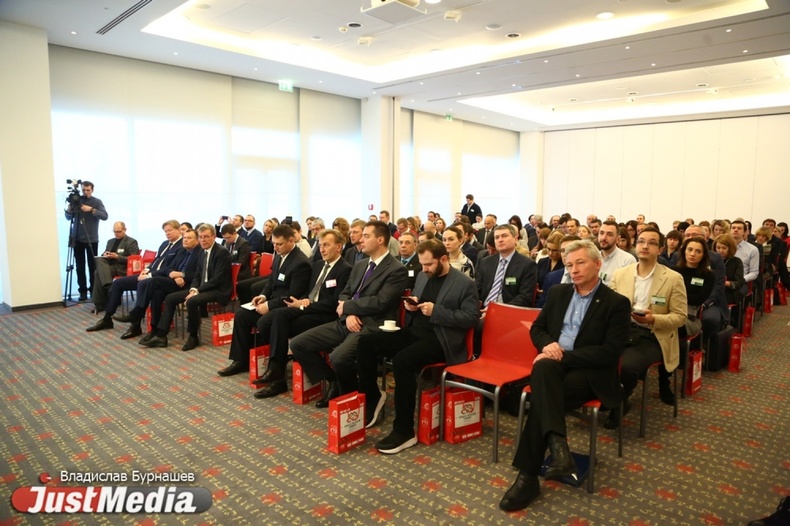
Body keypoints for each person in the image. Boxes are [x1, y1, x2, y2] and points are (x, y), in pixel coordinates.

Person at [499, 239, 630, 512]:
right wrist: (548, 345)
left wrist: (562, 355)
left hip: (590, 373)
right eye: (569, 265)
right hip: (555, 368)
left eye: (580, 263)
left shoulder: (615, 303)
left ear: (598, 264)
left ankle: (528, 477)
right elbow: (538, 329)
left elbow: (610, 352)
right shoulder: (558, 293)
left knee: (542, 399)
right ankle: (558, 449)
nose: (574, 270)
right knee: (544, 368)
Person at [356, 240, 479, 454]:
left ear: (443, 259)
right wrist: (412, 305)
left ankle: (404, 431)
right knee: (366, 343)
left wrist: (436, 311)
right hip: (415, 331)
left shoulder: (464, 283)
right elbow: (419, 303)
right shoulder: (423, 276)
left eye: (429, 264)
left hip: (441, 339)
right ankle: (373, 397)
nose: (424, 269)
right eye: (422, 264)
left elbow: (471, 318)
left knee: (403, 361)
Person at [289, 221, 408, 406]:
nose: (361, 240)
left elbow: (381, 302)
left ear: (380, 239)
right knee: (298, 344)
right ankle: (334, 381)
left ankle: (358, 398)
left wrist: (349, 307)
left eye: (366, 236)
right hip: (347, 320)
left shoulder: (396, 269)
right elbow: (345, 294)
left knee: (338, 357)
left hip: (371, 324)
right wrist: (349, 313)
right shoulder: (360, 265)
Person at [215, 225, 313, 393]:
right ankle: (240, 360)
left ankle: (276, 370)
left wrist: (268, 305)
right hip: (273, 302)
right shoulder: (280, 255)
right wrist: (263, 296)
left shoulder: (300, 263)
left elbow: (293, 295)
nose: (275, 247)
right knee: (241, 315)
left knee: (266, 322)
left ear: (291, 240)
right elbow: (271, 282)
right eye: (274, 243)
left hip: (286, 307)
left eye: (279, 244)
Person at [607, 227, 687, 428]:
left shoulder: (673, 278)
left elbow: (680, 317)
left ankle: (618, 402)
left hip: (653, 335)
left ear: (660, 249)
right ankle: (611, 396)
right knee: (597, 356)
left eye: (651, 243)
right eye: (641, 241)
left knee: (626, 366)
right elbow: (610, 306)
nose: (645, 246)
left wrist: (653, 319)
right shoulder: (621, 274)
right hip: (623, 330)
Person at [141, 224, 232, 352]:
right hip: (202, 288)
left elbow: (218, 279)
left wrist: (197, 291)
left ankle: (193, 337)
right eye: (201, 237)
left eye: (206, 237)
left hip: (218, 290)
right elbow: (197, 275)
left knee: (192, 301)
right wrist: (193, 289)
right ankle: (161, 336)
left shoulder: (221, 252)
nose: (203, 240)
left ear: (214, 237)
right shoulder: (202, 251)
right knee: (170, 298)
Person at [86, 220, 181, 333]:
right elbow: (156, 260)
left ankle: (135, 323)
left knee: (142, 284)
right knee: (117, 282)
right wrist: (146, 270)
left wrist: (150, 274)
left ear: (178, 230)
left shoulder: (181, 246)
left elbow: (169, 268)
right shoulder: (165, 244)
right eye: (166, 231)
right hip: (149, 274)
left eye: (170, 231)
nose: (167, 233)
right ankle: (107, 318)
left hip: (160, 278)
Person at [111, 228, 201, 340]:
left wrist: (182, 275)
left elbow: (199, 274)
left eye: (189, 238)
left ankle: (137, 313)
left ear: (197, 240)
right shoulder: (183, 251)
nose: (185, 240)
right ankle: (154, 329)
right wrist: (174, 274)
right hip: (174, 280)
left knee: (151, 281)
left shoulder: (200, 253)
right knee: (156, 293)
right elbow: (169, 267)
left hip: (187, 285)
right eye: (185, 238)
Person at [64, 181, 108, 301]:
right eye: (83, 190)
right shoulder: (76, 201)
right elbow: (68, 217)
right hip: (77, 238)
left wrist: (91, 209)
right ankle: (82, 291)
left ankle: (93, 290)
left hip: (92, 239)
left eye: (88, 190)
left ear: (92, 190)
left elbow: (105, 216)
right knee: (80, 267)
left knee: (92, 266)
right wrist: (69, 209)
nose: (85, 192)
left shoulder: (97, 202)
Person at [91, 221, 140, 312]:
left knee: (97, 273)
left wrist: (117, 257)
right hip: (109, 266)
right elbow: (105, 253)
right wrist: (105, 254)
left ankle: (100, 303)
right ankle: (109, 286)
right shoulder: (110, 241)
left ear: (125, 230)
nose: (116, 234)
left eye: (119, 231)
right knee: (99, 260)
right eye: (114, 231)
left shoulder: (131, 242)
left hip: (122, 268)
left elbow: (134, 259)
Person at [598, 220, 635, 287]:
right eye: (601, 233)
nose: (603, 238)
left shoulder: (628, 260)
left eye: (609, 234)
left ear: (618, 239)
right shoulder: (592, 257)